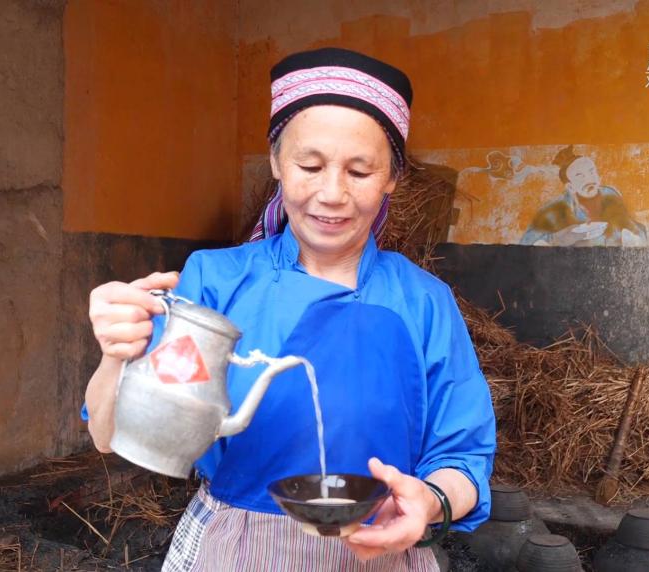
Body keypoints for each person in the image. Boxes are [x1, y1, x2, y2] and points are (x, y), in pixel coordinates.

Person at [83, 47, 496, 572]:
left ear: (392, 177)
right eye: (310, 165)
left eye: (360, 171)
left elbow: (463, 457)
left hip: (382, 549)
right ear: (277, 162)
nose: (332, 193)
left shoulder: (424, 301)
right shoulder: (217, 281)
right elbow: (108, 436)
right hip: (236, 548)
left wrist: (429, 503)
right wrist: (114, 355)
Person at [521, 145, 647, 247]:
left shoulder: (610, 194)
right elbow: (527, 243)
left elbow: (631, 226)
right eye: (580, 176)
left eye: (592, 172)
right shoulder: (556, 208)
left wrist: (632, 236)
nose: (589, 180)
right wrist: (558, 239)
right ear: (570, 187)